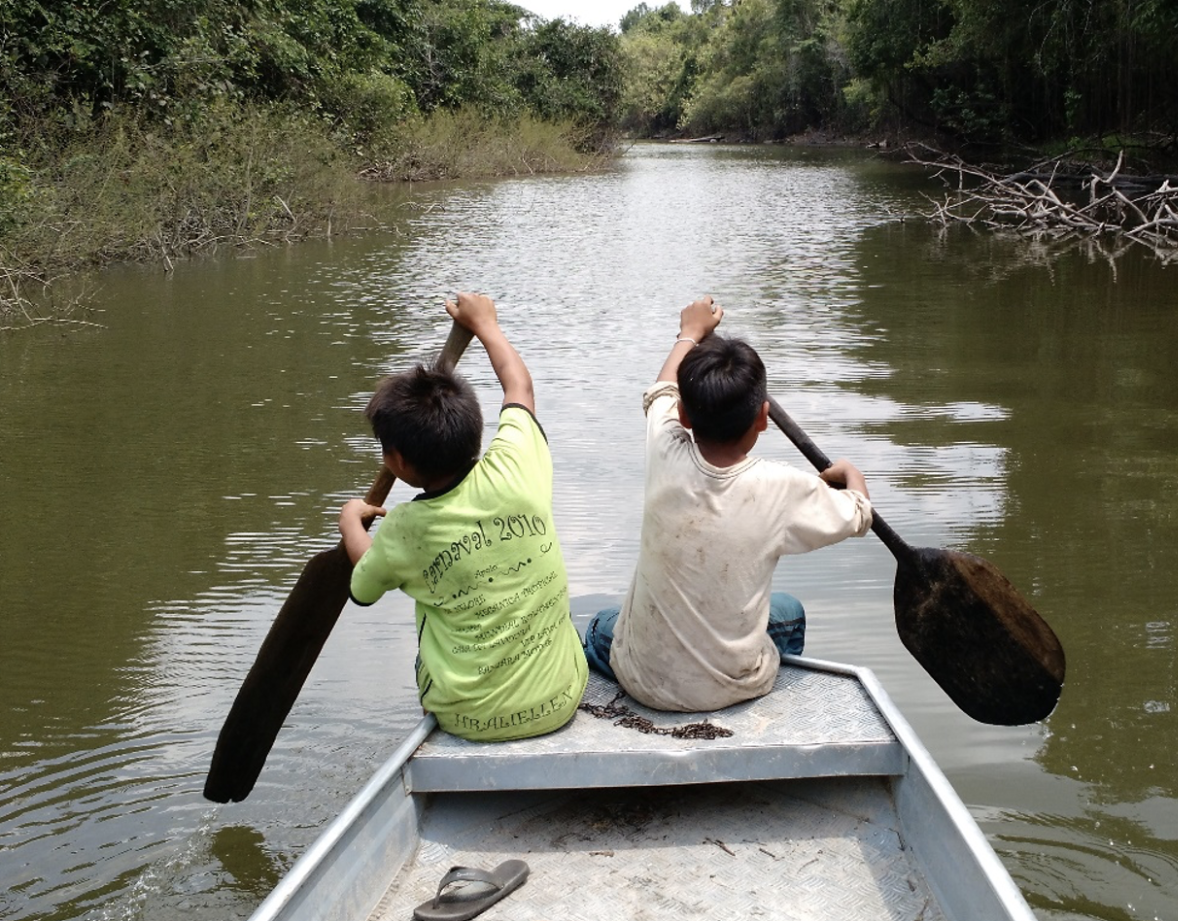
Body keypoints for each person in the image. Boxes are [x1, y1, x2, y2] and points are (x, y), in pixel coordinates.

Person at [583, 296, 873, 712]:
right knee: (790, 612)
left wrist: (689, 333)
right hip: (733, 687)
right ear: (763, 418)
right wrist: (850, 476)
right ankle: (757, 693)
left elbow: (659, 392)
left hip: (641, 679)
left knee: (600, 625)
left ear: (684, 415)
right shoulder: (785, 488)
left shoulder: (665, 448)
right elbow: (859, 514)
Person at [339, 292, 587, 741]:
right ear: (474, 429)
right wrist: (486, 325)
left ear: (396, 459)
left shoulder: (404, 530)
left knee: (431, 626)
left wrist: (350, 523)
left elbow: (363, 585)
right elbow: (520, 388)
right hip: (561, 701)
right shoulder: (516, 466)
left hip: (467, 719)